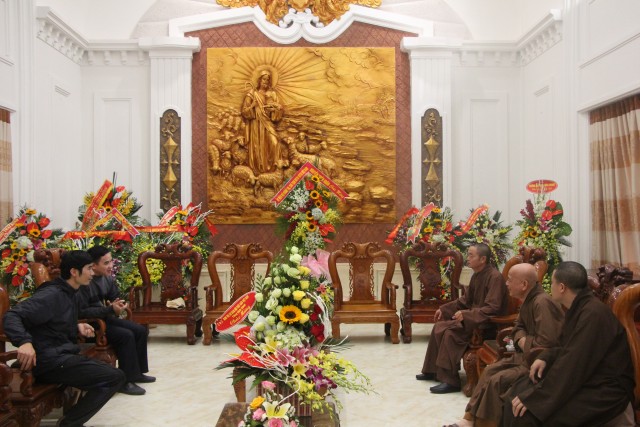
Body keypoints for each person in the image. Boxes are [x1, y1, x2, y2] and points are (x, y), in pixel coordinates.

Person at [503, 261, 635, 427]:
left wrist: (538, 398)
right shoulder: (578, 307)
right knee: (518, 390)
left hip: (605, 390)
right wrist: (545, 357)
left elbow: (573, 363)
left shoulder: (593, 314)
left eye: (552, 282)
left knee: (528, 415)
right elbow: (565, 346)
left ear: (562, 287)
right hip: (585, 376)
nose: (549, 287)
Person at [3, 250, 126, 427]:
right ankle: (70, 424)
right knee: (114, 377)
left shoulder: (70, 291)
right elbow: (12, 316)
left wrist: (76, 326)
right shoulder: (51, 294)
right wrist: (24, 342)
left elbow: (54, 320)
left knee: (110, 374)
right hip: (49, 360)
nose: (92, 273)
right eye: (89, 268)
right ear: (74, 272)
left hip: (61, 353)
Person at [446, 263, 564, 427]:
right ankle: (469, 419)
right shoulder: (529, 299)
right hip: (524, 355)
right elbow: (517, 328)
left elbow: (547, 344)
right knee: (490, 371)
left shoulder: (542, 303)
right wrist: (522, 339)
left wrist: (524, 340)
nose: (506, 283)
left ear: (524, 284)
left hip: (536, 362)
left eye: (509, 279)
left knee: (497, 380)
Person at [417, 243, 508, 394]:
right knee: (439, 326)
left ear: (483, 259)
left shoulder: (495, 277)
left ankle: (451, 381)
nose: (468, 258)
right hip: (473, 320)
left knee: (450, 334)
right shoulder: (477, 275)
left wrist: (467, 315)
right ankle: (432, 370)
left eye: (471, 255)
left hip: (485, 325)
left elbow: (493, 308)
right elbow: (465, 301)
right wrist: (444, 309)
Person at [78, 245, 154, 396]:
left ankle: (137, 373)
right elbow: (82, 311)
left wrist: (119, 304)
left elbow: (115, 296)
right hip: (91, 324)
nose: (111, 266)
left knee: (140, 330)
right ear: (93, 265)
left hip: (105, 317)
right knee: (125, 335)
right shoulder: (85, 281)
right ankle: (125, 381)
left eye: (111, 261)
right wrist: (109, 309)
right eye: (106, 263)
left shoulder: (107, 278)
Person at [241, 69, 284, 175]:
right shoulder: (252, 94)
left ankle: (275, 170)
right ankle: (258, 172)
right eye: (264, 79)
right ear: (259, 80)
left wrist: (274, 109)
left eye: (268, 80)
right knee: (258, 147)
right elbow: (244, 111)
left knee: (275, 143)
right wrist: (253, 105)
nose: (266, 81)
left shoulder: (272, 94)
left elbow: (278, 112)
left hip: (268, 123)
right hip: (256, 124)